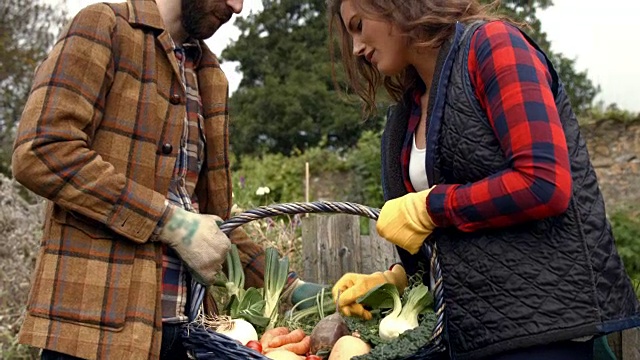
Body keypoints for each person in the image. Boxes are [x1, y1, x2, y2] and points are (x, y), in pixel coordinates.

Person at [327, 1, 640, 359]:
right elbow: (455, 237)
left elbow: (544, 183)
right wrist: (399, 279)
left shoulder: (493, 45)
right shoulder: (408, 110)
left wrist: (428, 207)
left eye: (358, 25)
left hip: (541, 333)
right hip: (466, 337)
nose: (356, 48)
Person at [11, 0, 323, 359]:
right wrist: (170, 223)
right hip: (93, 332)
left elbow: (210, 223)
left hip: (184, 335)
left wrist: (289, 285)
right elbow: (43, 150)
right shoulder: (105, 26)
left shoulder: (209, 74)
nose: (237, 7)